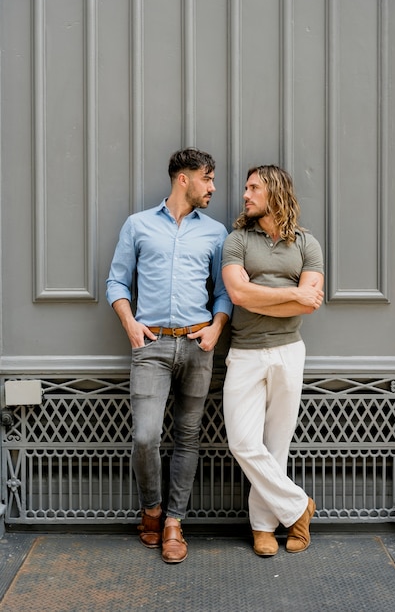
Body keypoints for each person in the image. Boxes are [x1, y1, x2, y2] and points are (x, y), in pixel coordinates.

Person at [106, 148, 232, 564]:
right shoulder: (138, 225)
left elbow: (222, 292)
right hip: (151, 346)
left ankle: (174, 522)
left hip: (198, 347)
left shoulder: (215, 233)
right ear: (184, 179)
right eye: (208, 179)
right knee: (145, 437)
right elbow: (117, 281)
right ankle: (152, 509)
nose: (213, 187)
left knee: (188, 437)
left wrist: (215, 328)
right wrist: (130, 323)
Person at [221, 164, 324, 557]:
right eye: (246, 188)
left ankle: (263, 528)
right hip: (245, 352)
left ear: (275, 191)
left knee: (276, 443)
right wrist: (291, 295)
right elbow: (239, 295)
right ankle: (300, 507)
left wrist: (269, 292)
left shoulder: (306, 244)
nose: (245, 195)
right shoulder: (236, 241)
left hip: (288, 351)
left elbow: (310, 302)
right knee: (243, 442)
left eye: (253, 188)